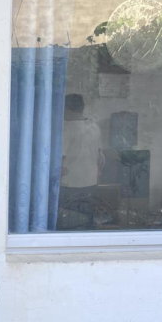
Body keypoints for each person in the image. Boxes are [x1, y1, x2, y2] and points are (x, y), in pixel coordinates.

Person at [58, 93, 105, 229]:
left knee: (69, 223)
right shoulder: (94, 127)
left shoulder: (67, 129)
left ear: (66, 109)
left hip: (69, 184)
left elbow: (60, 159)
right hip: (90, 183)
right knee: (87, 221)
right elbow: (101, 158)